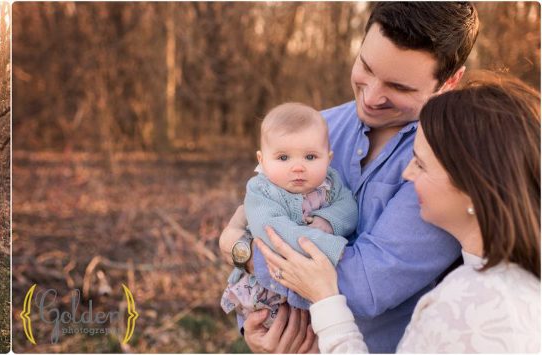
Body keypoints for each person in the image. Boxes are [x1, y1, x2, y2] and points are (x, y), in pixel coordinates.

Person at [218, 3, 480, 352]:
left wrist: (243, 253)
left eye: (398, 87)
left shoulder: (445, 162)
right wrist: (254, 329)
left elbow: (364, 284)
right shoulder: (316, 127)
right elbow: (265, 211)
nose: (371, 97)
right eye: (366, 67)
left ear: (450, 80)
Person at [259, 74, 540, 353]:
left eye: (421, 164)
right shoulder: (510, 283)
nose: (407, 173)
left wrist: (325, 299)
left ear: (473, 187)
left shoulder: (466, 306)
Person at [221, 103, 357, 328]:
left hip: (313, 293)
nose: (298, 167)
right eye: (283, 158)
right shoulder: (261, 190)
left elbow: (349, 207)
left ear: (329, 158)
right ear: (262, 160)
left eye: (311, 157)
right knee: (283, 334)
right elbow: (272, 230)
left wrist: (329, 221)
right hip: (269, 294)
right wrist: (330, 245)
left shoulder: (330, 182)